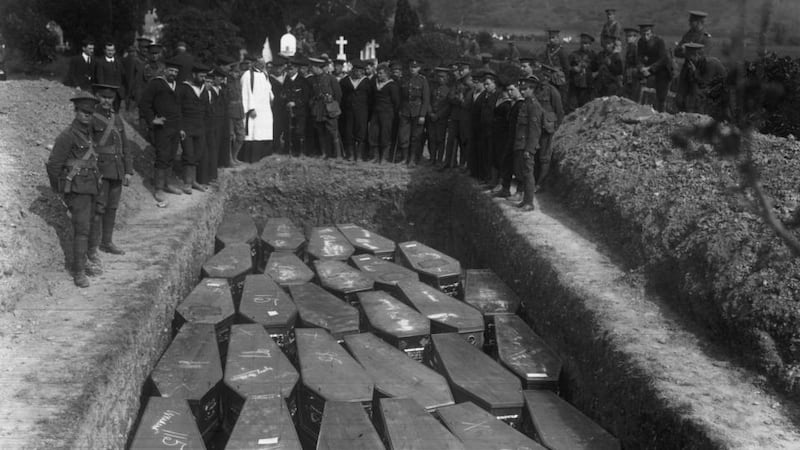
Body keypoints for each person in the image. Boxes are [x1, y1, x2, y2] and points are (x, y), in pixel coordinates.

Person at [46, 92, 103, 287]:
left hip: (92, 186)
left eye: (90, 113)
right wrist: (59, 190)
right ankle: (78, 272)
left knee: (92, 223)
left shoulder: (89, 134)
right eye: (84, 112)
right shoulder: (67, 135)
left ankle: (86, 261)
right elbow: (53, 165)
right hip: (77, 189)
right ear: (76, 111)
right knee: (81, 230)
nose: (87, 115)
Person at [89, 84, 132, 266]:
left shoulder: (117, 118)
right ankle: (92, 248)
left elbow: (125, 145)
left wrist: (128, 170)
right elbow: (88, 146)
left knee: (112, 208)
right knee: (98, 209)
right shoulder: (91, 118)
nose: (107, 101)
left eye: (110, 98)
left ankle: (107, 242)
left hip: (117, 169)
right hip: (100, 170)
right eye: (103, 97)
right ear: (98, 97)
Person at [139, 58, 184, 206]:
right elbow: (144, 103)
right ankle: (158, 189)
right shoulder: (156, 83)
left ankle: (167, 183)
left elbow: (179, 108)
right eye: (171, 70)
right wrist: (152, 119)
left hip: (175, 126)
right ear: (165, 70)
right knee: (162, 156)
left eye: (176, 72)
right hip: (162, 127)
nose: (173, 73)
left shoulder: (178, 86)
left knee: (171, 155)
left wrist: (181, 127)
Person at [176, 63, 211, 191]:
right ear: (194, 75)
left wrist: (205, 126)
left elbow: (207, 109)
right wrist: (180, 127)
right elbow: (177, 108)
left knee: (198, 153)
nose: (203, 79)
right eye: (201, 76)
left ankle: (194, 181)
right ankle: (187, 182)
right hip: (186, 127)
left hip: (200, 127)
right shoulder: (184, 88)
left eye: (205, 77)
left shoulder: (204, 91)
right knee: (188, 154)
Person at [513, 75, 543, 211]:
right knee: (523, 173)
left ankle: (529, 202)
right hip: (521, 144)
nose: (522, 91)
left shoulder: (534, 106)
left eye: (525, 89)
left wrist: (529, 149)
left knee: (528, 173)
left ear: (532, 89)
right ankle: (525, 200)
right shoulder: (526, 103)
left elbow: (534, 131)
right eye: (521, 89)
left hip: (527, 146)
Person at [674, 43, 728, 117]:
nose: (688, 61)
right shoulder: (689, 62)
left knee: (699, 96)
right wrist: (680, 99)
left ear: (697, 55)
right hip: (706, 89)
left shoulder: (710, 64)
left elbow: (704, 84)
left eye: (690, 58)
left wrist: (694, 73)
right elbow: (682, 83)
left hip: (720, 92)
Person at [240, 57, 275, 162]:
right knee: (253, 133)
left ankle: (264, 158)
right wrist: (250, 108)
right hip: (254, 110)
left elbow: (268, 89)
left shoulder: (265, 74)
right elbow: (245, 92)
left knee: (265, 132)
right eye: (260, 62)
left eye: (263, 62)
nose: (262, 64)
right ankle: (251, 159)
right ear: (254, 63)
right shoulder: (247, 75)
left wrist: (271, 98)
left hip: (265, 109)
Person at [535, 65, 564, 191]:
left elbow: (559, 112)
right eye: (542, 75)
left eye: (546, 76)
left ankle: (541, 183)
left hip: (547, 128)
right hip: (536, 127)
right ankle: (534, 181)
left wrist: (555, 128)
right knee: (535, 155)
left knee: (544, 157)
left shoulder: (553, 91)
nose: (543, 78)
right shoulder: (536, 89)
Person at [308, 56, 343, 159]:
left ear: (318, 67)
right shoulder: (312, 79)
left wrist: (333, 106)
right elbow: (311, 94)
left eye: (312, 67)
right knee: (320, 132)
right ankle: (324, 153)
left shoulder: (330, 78)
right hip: (318, 109)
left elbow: (338, 95)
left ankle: (338, 155)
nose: (311, 69)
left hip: (330, 109)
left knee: (333, 132)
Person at [397, 59, 431, 166]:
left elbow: (426, 99)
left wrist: (422, 115)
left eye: (415, 67)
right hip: (405, 111)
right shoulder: (404, 79)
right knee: (403, 135)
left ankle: (412, 159)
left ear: (419, 68)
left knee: (416, 137)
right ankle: (404, 158)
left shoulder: (422, 80)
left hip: (417, 111)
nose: (413, 69)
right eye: (411, 67)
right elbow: (400, 97)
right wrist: (400, 110)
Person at [496, 78, 524, 199]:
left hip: (518, 139)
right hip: (510, 138)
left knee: (519, 167)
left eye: (512, 90)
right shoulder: (514, 104)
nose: (510, 92)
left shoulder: (521, 105)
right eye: (508, 90)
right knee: (507, 163)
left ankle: (519, 192)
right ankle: (505, 188)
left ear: (518, 89)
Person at [340, 60, 373, 162]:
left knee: (361, 132)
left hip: (362, 111)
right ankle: (350, 154)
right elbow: (342, 96)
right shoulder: (345, 81)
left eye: (360, 71)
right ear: (353, 70)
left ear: (363, 72)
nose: (358, 73)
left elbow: (371, 98)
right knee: (349, 131)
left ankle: (359, 155)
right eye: (356, 71)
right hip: (349, 111)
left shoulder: (367, 82)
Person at [368, 63, 400, 164]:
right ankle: (375, 156)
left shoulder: (392, 85)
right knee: (374, 134)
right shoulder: (375, 84)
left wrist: (393, 114)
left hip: (387, 114)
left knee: (385, 135)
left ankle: (384, 158)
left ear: (386, 74)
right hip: (376, 113)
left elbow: (396, 102)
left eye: (381, 73)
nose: (379, 75)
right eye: (378, 73)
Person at [637, 23, 672, 112]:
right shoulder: (640, 42)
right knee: (636, 78)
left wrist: (650, 68)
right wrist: (641, 68)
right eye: (643, 34)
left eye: (648, 34)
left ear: (651, 33)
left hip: (662, 69)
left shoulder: (659, 41)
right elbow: (639, 57)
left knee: (661, 94)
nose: (645, 37)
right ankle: (639, 106)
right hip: (649, 68)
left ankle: (661, 112)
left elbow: (663, 59)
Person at [284, 56, 312, 157]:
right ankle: (292, 151)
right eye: (288, 69)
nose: (289, 71)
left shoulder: (303, 81)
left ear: (296, 69)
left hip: (300, 111)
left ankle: (301, 152)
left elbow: (306, 97)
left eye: (291, 69)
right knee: (290, 131)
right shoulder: (286, 80)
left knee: (299, 131)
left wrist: (295, 103)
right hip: (289, 111)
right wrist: (286, 101)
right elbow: (284, 94)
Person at [203, 68, 227, 183]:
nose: (221, 81)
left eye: (222, 79)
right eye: (219, 78)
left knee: (216, 147)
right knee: (210, 148)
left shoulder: (220, 89)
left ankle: (213, 173)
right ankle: (209, 175)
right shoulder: (209, 90)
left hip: (219, 122)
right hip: (210, 123)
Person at [428, 67, 451, 166]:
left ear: (447, 78)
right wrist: (430, 113)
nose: (440, 79)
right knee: (432, 138)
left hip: (441, 118)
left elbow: (448, 106)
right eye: (439, 77)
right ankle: (432, 158)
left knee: (440, 139)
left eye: (443, 77)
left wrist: (438, 115)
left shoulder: (449, 90)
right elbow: (428, 101)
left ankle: (439, 160)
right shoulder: (433, 88)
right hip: (432, 117)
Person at [94, 42, 127, 111]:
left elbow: (123, 76)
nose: (110, 52)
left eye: (112, 50)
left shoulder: (118, 62)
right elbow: (100, 78)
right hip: (106, 94)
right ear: (105, 51)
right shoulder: (100, 62)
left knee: (116, 112)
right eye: (108, 50)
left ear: (114, 51)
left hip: (117, 93)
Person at [568, 33, 596, 110]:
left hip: (589, 84)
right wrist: (573, 69)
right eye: (583, 43)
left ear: (590, 44)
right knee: (573, 106)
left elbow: (597, 68)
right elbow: (567, 67)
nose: (584, 45)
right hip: (576, 84)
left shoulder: (593, 55)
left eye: (587, 44)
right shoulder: (574, 55)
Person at [540, 30, 569, 99]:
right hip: (548, 78)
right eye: (550, 38)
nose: (551, 40)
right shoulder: (547, 50)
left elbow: (566, 67)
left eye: (553, 38)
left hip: (558, 80)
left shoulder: (561, 51)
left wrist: (565, 80)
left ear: (558, 38)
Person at [269, 56, 289, 154]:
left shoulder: (287, 77)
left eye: (280, 67)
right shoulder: (269, 79)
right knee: (276, 128)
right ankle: (275, 147)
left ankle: (286, 148)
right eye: (276, 68)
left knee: (286, 127)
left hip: (286, 107)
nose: (278, 70)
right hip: (275, 107)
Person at [623, 27, 641, 101]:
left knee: (633, 97)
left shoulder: (636, 49)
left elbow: (638, 64)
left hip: (634, 76)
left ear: (635, 38)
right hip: (628, 75)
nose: (628, 38)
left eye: (630, 36)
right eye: (627, 36)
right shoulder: (628, 49)